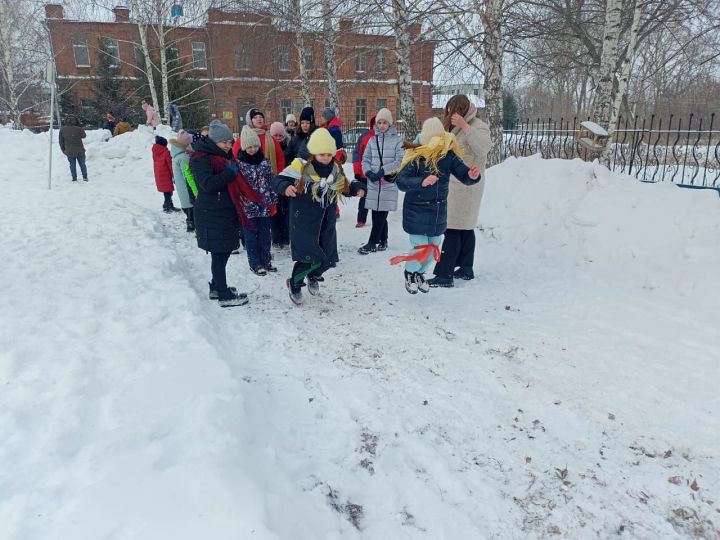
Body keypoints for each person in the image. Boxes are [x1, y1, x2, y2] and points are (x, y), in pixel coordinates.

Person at [272, 128, 365, 305]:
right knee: (307, 259)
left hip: (326, 221)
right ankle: (295, 283)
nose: (326, 157)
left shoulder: (335, 169)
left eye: (329, 154)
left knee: (328, 259)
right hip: (304, 222)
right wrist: (285, 187)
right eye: (321, 153)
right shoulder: (300, 166)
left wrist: (357, 189)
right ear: (314, 152)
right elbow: (278, 179)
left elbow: (345, 185)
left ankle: (313, 277)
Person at [393, 117, 480, 294]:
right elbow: (401, 181)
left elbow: (463, 173)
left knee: (433, 249)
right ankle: (410, 273)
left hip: (437, 212)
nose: (436, 144)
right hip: (416, 210)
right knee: (421, 247)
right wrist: (422, 182)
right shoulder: (417, 155)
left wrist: (472, 176)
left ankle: (419, 273)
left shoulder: (447, 155)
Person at [429, 96, 492, 287]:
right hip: (456, 184)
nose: (451, 114)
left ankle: (444, 274)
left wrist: (465, 127)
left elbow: (484, 149)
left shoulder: (477, 126)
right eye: (450, 110)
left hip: (468, 185)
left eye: (455, 110)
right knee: (464, 227)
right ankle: (465, 268)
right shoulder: (452, 129)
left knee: (454, 227)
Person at [189, 120, 249, 307]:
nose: (228, 145)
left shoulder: (220, 156)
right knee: (219, 253)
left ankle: (217, 286)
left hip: (222, 211)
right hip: (211, 213)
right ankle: (223, 294)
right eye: (224, 142)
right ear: (214, 142)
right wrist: (229, 174)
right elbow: (207, 184)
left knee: (223, 251)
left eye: (230, 142)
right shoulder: (200, 158)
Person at [358, 108, 403, 254]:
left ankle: (372, 242)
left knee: (381, 213)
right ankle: (383, 240)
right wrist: (369, 172)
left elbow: (400, 161)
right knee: (376, 211)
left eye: (384, 122)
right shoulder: (372, 140)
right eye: (379, 122)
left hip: (388, 182)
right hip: (373, 182)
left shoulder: (397, 140)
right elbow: (365, 159)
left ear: (390, 123)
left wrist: (383, 171)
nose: (382, 125)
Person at [237, 126, 278, 275]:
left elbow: (272, 181)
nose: (253, 149)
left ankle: (266, 261)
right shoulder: (239, 164)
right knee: (251, 237)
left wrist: (273, 201)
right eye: (249, 147)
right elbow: (237, 186)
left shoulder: (264, 162)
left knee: (265, 235)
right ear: (244, 147)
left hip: (265, 205)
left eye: (255, 146)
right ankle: (255, 263)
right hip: (248, 207)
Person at [232, 107, 285, 175]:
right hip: (249, 179)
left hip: (270, 178)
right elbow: (237, 161)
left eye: (261, 117)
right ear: (249, 120)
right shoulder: (242, 139)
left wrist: (279, 176)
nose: (259, 119)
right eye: (255, 117)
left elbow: (280, 159)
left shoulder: (271, 138)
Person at [269, 122, 292, 248]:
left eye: (280, 135)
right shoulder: (269, 146)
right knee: (274, 211)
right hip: (273, 181)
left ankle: (286, 237)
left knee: (286, 211)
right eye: (275, 135)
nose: (278, 138)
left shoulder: (289, 145)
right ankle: (276, 238)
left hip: (286, 180)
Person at [169, 130, 195, 231]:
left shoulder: (177, 154)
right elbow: (187, 175)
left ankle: (190, 223)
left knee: (187, 206)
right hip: (186, 187)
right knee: (190, 206)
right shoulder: (184, 157)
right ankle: (191, 225)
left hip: (182, 187)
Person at [352, 115, 375, 228]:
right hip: (366, 174)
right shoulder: (365, 137)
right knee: (364, 197)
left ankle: (379, 222)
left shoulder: (388, 138)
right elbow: (357, 154)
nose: (379, 126)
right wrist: (357, 171)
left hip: (380, 175)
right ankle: (361, 219)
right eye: (376, 123)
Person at [152, 136, 180, 212]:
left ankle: (169, 205)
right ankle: (167, 206)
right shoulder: (166, 153)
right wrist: (174, 175)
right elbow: (170, 165)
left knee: (166, 191)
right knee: (168, 192)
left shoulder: (155, 152)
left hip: (159, 174)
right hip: (166, 175)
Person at [59, 115, 88, 182]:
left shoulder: (62, 129)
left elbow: (61, 141)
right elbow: (84, 136)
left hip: (69, 151)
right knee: (82, 164)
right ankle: (85, 177)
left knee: (72, 165)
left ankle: (74, 178)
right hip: (80, 151)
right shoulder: (79, 129)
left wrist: (63, 150)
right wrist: (80, 127)